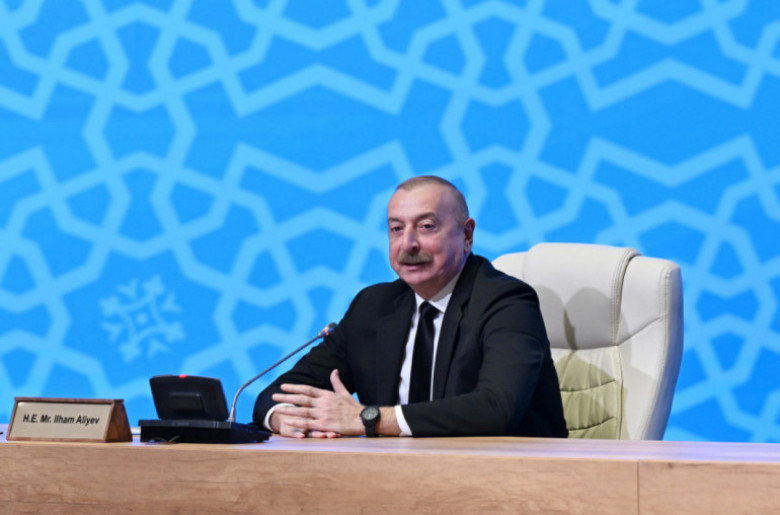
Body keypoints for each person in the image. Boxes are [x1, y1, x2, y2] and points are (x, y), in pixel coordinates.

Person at [253, 175, 567, 438]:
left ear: (467, 234)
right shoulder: (373, 307)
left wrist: (370, 418)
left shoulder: (506, 302)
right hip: (395, 479)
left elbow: (496, 408)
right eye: (396, 229)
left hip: (505, 479)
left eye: (426, 226)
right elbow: (277, 394)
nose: (408, 244)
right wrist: (288, 419)